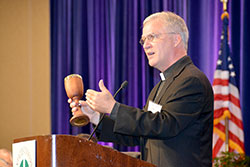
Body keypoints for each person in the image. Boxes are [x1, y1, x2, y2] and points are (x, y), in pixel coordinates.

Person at [69, 11, 214, 167]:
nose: (145, 45)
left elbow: (164, 126)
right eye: (143, 39)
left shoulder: (191, 80)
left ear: (176, 39)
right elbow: (140, 133)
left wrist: (113, 108)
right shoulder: (161, 86)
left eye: (152, 37)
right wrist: (96, 117)